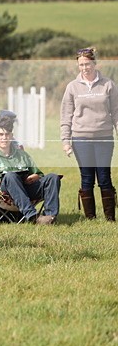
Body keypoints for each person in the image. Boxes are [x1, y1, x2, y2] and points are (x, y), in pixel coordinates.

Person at [60, 46, 118, 221]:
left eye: (88, 64)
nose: (85, 68)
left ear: (95, 63)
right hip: (80, 139)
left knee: (104, 177)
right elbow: (66, 115)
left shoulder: (108, 84)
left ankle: (110, 218)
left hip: (104, 138)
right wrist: (65, 141)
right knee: (86, 178)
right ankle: (90, 218)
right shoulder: (72, 87)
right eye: (81, 65)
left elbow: (116, 112)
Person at [0, 115, 60, 224]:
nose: (4, 138)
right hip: (5, 195)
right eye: (1, 134)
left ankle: (50, 217)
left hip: (26, 189)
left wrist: (35, 176)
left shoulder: (22, 155)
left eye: (7, 134)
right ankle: (33, 216)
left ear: (11, 136)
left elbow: (39, 174)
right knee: (10, 176)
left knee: (53, 177)